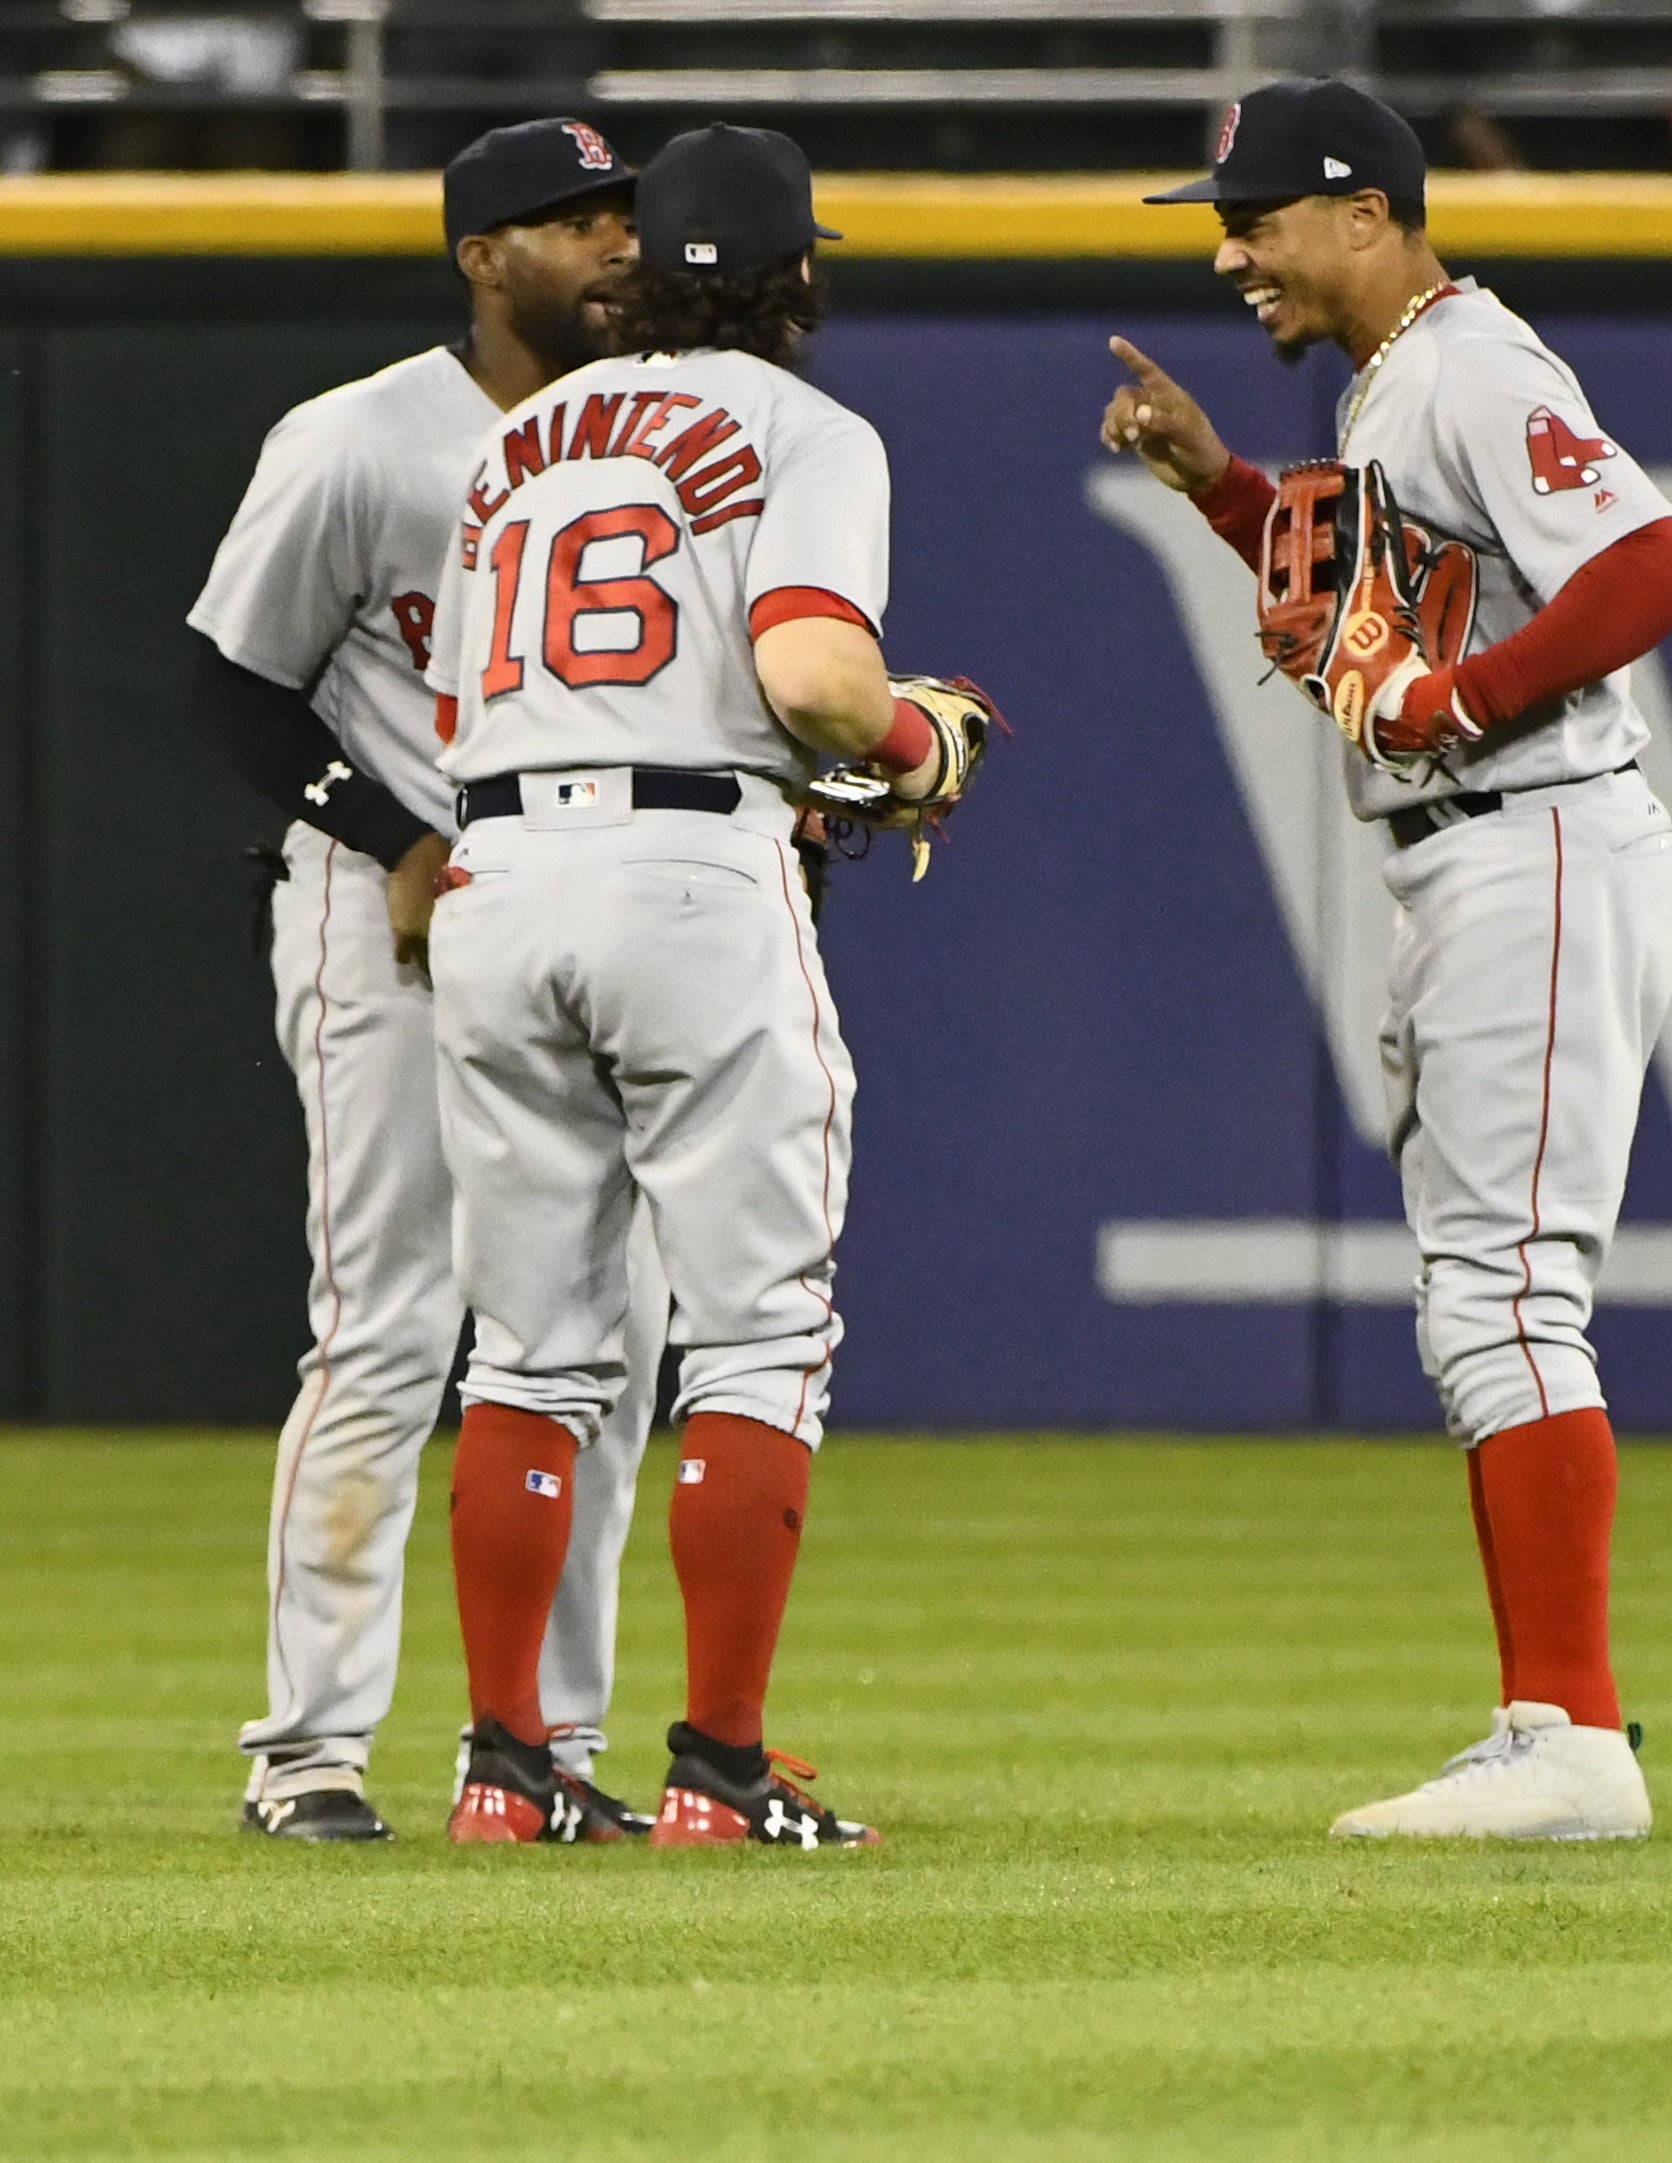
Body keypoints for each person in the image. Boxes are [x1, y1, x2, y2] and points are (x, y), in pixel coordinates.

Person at [1101, 78, 1672, 1839]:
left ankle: (1569, 1740)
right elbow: (1352, 603)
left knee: (1506, 1296)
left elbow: (1650, 567)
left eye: (1258, 216)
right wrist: (1223, 488)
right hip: (1477, 859)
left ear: (1365, 210)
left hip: (1531, 839)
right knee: (1483, 1303)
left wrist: (1465, 696)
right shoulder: (1394, 384)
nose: (1230, 251)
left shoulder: (1468, 363)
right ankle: (1551, 1724)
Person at [424, 122, 983, 1849]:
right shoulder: (807, 428)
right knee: (756, 1333)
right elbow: (813, 673)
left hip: (497, 873)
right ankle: (719, 1771)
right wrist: (913, 746)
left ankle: (505, 1768)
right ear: (796, 271)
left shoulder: (513, 445)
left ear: (642, 269)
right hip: (683, 874)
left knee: (529, 1348)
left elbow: (476, 715)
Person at [189, 117, 666, 1843]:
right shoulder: (360, 440)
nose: (612, 244)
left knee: (598, 1337)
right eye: (568, 221)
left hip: (575, 919)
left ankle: (540, 1745)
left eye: (623, 215)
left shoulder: (659, 439)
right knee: (387, 1322)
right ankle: (306, 1750)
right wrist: (392, 834)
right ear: (479, 256)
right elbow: (233, 684)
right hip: (376, 905)